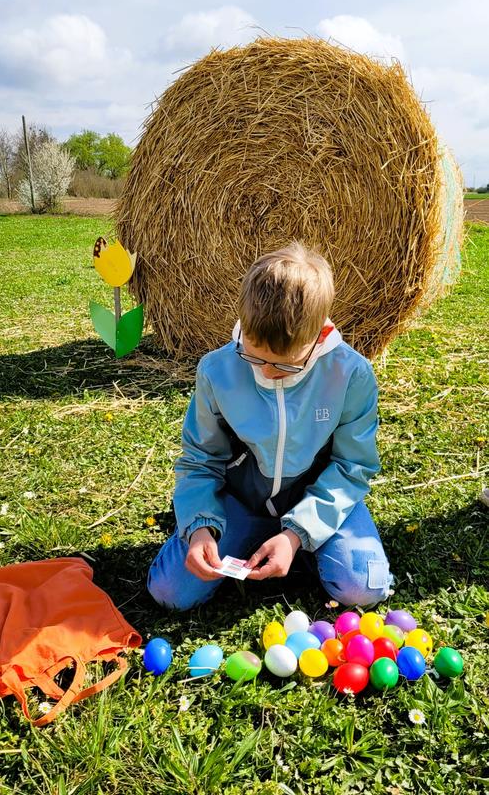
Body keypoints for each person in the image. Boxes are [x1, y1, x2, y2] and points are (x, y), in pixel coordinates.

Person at [147, 241, 395, 610]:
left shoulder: (351, 374)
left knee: (363, 588)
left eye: (285, 365)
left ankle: (302, 542)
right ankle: (252, 535)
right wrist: (200, 526)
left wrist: (297, 534)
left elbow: (352, 466)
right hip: (241, 503)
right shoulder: (216, 370)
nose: (266, 372)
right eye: (253, 356)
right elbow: (200, 460)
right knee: (170, 593)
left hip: (316, 500)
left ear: (321, 336)